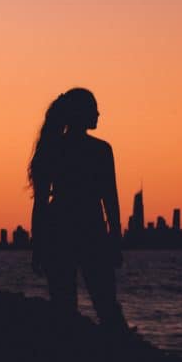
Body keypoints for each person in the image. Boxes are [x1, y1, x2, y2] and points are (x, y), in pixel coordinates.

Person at [29, 88, 129, 332]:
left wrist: (37, 245)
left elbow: (41, 204)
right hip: (91, 231)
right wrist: (115, 239)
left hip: (57, 231)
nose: (98, 113)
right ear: (81, 114)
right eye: (93, 108)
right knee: (106, 306)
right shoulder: (101, 150)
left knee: (64, 309)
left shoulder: (53, 148)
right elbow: (110, 201)